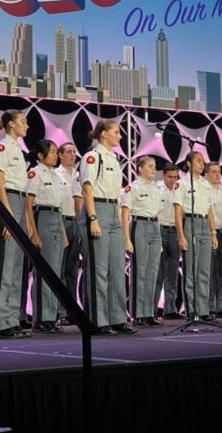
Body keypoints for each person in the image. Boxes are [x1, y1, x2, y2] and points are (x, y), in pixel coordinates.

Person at [80, 120, 136, 335]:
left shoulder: (112, 157)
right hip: (99, 210)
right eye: (116, 132)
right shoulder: (93, 157)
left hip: (113, 210)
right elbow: (87, 189)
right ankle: (98, 319)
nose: (120, 136)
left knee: (116, 268)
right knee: (99, 269)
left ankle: (118, 317)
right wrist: (93, 218)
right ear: (104, 134)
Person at [0, 110, 31, 338]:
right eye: (23, 122)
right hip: (7, 202)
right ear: (11, 125)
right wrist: (7, 215)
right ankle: (0, 322)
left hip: (19, 200)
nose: (27, 126)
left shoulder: (17, 149)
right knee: (4, 267)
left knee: (15, 268)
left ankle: (12, 319)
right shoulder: (2, 147)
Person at [26, 139, 68, 333]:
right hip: (41, 217)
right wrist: (33, 232)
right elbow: (29, 204)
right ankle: (41, 318)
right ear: (40, 156)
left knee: (55, 271)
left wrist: (63, 232)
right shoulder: (35, 174)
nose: (54, 155)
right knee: (43, 271)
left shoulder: (57, 176)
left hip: (56, 218)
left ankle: (51, 316)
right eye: (51, 152)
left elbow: (58, 205)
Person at [173, 151, 217, 321]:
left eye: (202, 161)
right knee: (191, 269)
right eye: (198, 161)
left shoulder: (206, 185)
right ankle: (191, 309)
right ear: (189, 164)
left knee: (204, 270)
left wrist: (213, 232)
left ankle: (203, 309)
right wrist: (181, 235)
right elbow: (177, 212)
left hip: (205, 224)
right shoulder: (182, 184)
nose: (201, 164)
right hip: (190, 223)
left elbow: (210, 209)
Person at [121, 156, 163, 326]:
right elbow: (125, 213)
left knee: (152, 272)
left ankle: (149, 312)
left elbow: (158, 214)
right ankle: (138, 313)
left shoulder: (156, 189)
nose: (154, 169)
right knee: (140, 271)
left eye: (154, 167)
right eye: (150, 166)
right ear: (140, 169)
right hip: (139, 225)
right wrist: (127, 239)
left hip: (154, 228)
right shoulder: (133, 187)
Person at [55, 142, 81, 326]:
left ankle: (72, 309)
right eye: (69, 152)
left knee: (73, 269)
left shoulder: (80, 176)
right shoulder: (56, 175)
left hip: (77, 222)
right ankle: (61, 310)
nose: (73, 155)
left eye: (74, 151)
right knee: (60, 268)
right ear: (60, 155)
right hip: (62, 221)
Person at [155, 163, 182, 319]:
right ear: (164, 175)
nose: (173, 180)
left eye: (175, 177)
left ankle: (170, 309)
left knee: (172, 273)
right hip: (160, 230)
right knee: (158, 272)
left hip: (174, 231)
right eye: (170, 177)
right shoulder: (157, 189)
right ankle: (152, 309)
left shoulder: (180, 189)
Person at [206, 161, 222, 319]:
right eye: (214, 172)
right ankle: (209, 306)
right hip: (209, 233)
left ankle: (221, 305)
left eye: (219, 172)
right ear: (207, 174)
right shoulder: (205, 191)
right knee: (209, 271)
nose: (217, 175)